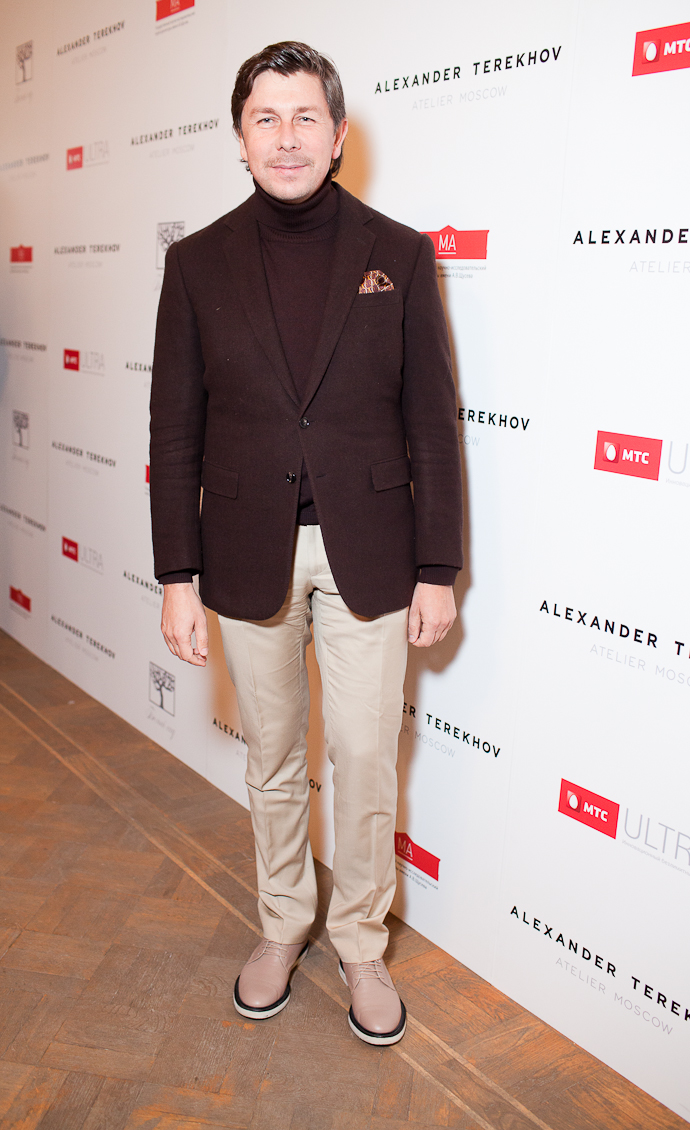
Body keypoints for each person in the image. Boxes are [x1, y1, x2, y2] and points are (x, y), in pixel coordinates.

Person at [150, 41, 462, 1046]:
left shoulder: (399, 255)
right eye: (265, 119)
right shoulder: (195, 263)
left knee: (365, 757)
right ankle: (284, 921)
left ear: (337, 135)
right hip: (246, 552)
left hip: (370, 550)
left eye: (305, 117)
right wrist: (175, 574)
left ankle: (362, 940)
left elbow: (431, 422)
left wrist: (438, 567)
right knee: (275, 757)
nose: (286, 137)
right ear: (241, 139)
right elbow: (174, 431)